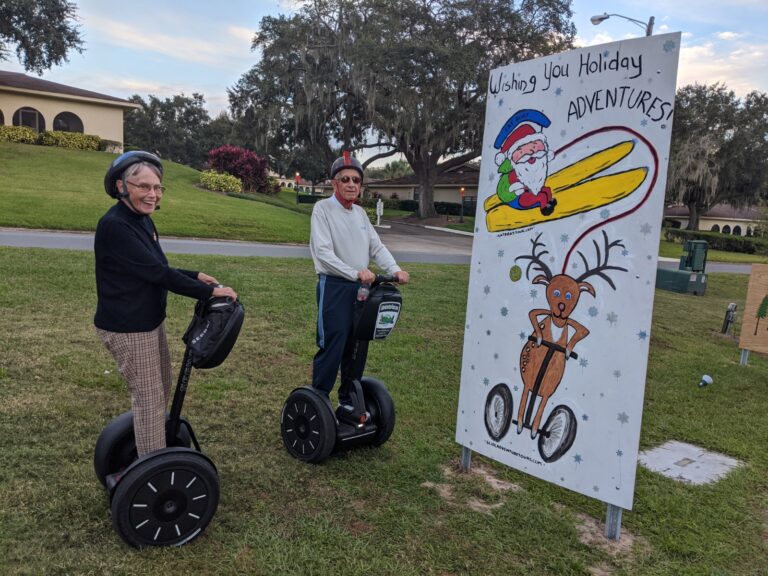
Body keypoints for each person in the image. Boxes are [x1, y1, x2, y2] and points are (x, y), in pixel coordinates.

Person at [94, 151, 237, 457]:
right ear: (121, 186)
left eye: (157, 187)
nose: (152, 194)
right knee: (149, 398)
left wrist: (197, 276)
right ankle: (151, 473)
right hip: (129, 326)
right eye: (143, 186)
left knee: (161, 388)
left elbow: (157, 266)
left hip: (148, 321)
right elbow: (158, 274)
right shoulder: (116, 225)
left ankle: (151, 449)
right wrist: (208, 293)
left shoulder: (141, 221)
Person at [310, 152, 409, 416]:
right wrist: (355, 273)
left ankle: (348, 400)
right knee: (334, 341)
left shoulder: (361, 214)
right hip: (334, 287)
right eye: (345, 179)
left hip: (362, 289)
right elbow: (323, 253)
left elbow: (376, 247)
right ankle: (318, 399)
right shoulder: (322, 209)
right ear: (334, 183)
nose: (352, 184)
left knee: (357, 344)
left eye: (356, 179)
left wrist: (395, 269)